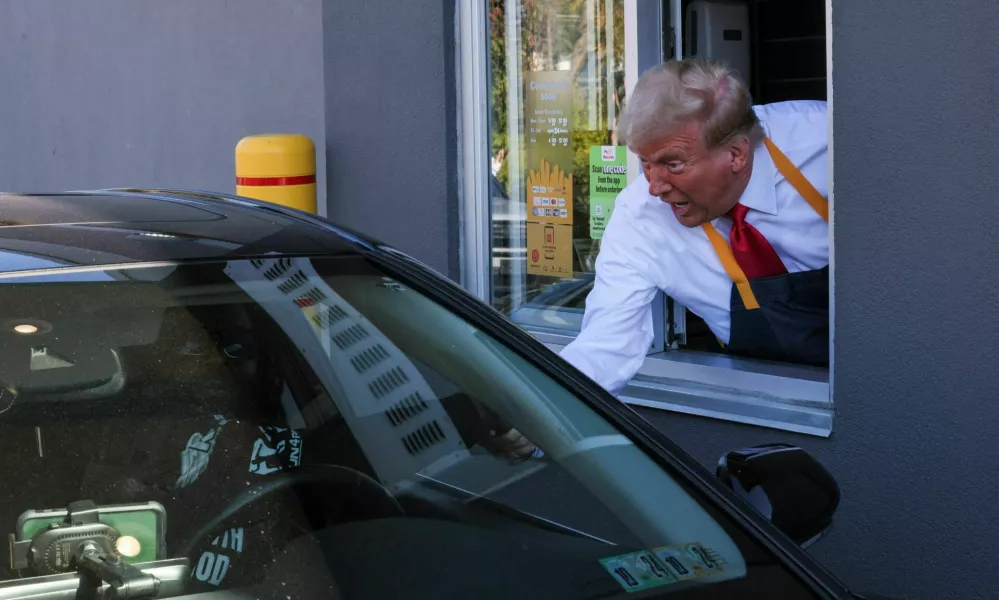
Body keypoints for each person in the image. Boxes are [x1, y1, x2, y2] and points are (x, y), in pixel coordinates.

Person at [560, 59, 830, 395]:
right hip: (763, 407)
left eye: (672, 164)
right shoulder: (640, 217)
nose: (654, 186)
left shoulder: (826, 140)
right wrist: (535, 409)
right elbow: (603, 346)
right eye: (645, 162)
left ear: (736, 154)